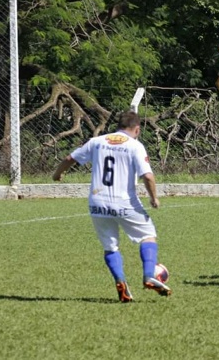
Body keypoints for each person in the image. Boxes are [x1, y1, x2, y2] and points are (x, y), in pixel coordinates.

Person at [52, 110, 172, 303]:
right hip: (124, 202)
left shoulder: (97, 142)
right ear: (137, 129)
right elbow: (148, 176)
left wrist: (57, 174)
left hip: (97, 203)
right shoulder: (135, 146)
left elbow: (69, 159)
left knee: (110, 246)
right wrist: (154, 198)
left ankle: (121, 283)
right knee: (147, 235)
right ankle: (150, 274)